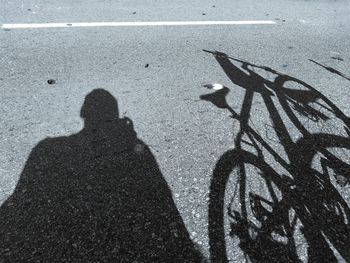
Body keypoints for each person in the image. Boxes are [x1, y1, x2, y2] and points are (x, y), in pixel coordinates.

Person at [0, 89, 202, 262]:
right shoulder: (135, 151)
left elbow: (18, 206)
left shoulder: (48, 149)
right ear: (115, 118)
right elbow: (163, 202)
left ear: (83, 113)